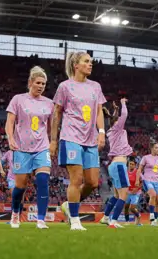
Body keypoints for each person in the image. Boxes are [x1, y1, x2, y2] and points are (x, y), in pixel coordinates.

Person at [50, 51, 106, 231]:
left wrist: (102, 132)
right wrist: (53, 140)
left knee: (92, 182)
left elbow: (99, 111)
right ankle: (75, 220)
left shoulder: (95, 86)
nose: (91, 64)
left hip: (90, 139)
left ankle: (68, 205)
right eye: (86, 61)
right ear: (76, 65)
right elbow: (56, 113)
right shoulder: (65, 87)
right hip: (70, 137)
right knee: (76, 179)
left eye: (91, 61)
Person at [5, 66, 55, 230]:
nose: (41, 86)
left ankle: (41, 220)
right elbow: (10, 123)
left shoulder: (49, 103)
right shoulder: (18, 99)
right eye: (38, 82)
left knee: (42, 180)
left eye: (44, 83)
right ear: (30, 82)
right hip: (21, 149)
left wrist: (53, 142)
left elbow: (52, 126)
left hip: (42, 148)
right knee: (20, 186)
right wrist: (10, 138)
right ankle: (15, 213)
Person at [100, 98, 131, 228]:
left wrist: (116, 109)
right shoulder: (117, 128)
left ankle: (105, 217)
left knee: (117, 195)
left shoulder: (112, 131)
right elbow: (124, 115)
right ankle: (113, 221)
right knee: (124, 194)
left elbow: (117, 116)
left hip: (115, 164)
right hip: (119, 164)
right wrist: (123, 102)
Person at [137, 142, 158, 226]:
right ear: (152, 148)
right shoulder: (145, 158)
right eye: (156, 147)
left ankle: (155, 220)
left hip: (157, 181)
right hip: (147, 179)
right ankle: (151, 216)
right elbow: (139, 169)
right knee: (153, 194)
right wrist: (138, 180)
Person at [124, 159, 142, 226]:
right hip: (128, 192)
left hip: (135, 193)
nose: (131, 165)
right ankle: (127, 221)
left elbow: (142, 182)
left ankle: (138, 216)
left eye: (132, 164)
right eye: (130, 164)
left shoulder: (137, 172)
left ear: (135, 165)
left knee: (132, 208)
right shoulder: (126, 172)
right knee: (126, 207)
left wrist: (136, 189)